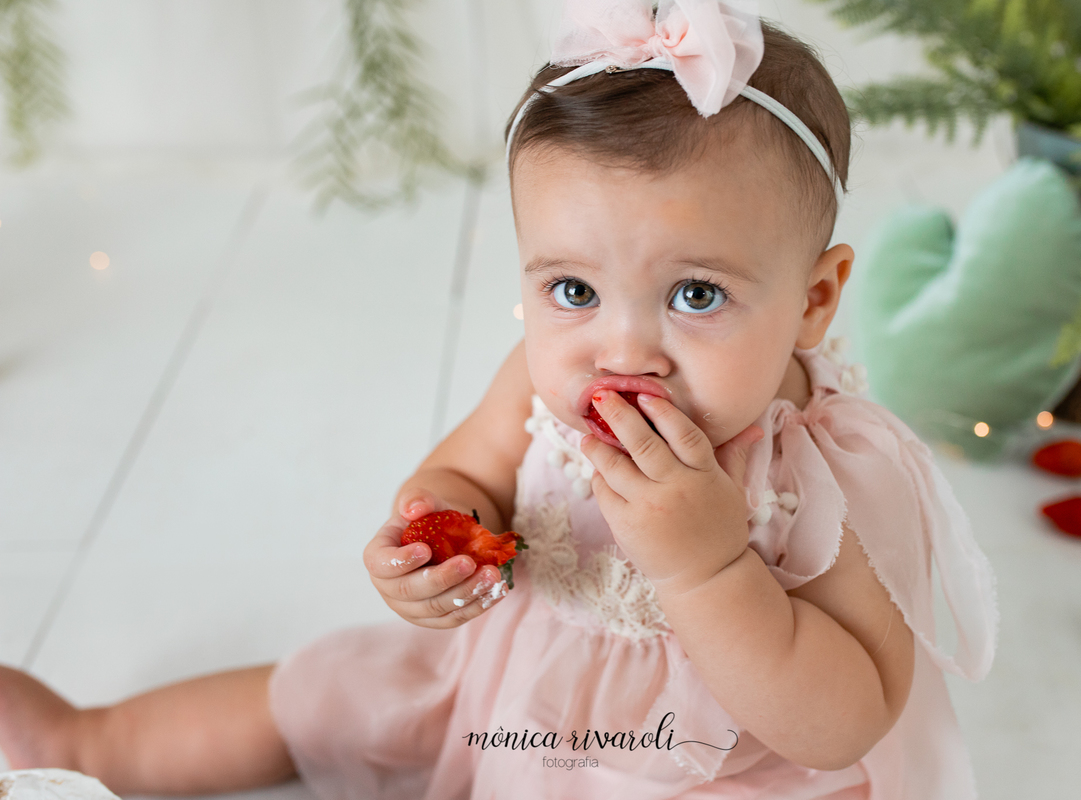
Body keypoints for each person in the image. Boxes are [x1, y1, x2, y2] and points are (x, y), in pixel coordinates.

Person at [0, 1, 998, 797]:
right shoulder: (540, 379)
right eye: (573, 290)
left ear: (815, 298)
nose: (623, 347)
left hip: (720, 767)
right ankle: (91, 734)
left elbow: (852, 712)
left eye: (696, 295)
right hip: (507, 698)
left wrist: (710, 566)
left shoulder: (830, 470)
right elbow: (471, 466)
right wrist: (441, 528)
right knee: (323, 695)